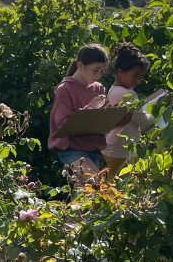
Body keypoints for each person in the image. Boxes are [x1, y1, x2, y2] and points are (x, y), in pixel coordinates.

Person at [47, 43, 129, 180]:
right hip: (72, 149)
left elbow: (106, 122)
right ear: (80, 65)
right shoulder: (65, 88)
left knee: (84, 197)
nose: (98, 75)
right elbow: (63, 124)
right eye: (95, 70)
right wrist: (90, 108)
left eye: (102, 71)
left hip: (94, 149)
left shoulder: (99, 88)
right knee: (98, 185)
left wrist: (122, 111)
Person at [101, 43, 155, 175]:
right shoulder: (127, 94)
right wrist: (157, 114)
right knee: (119, 189)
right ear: (120, 72)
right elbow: (143, 121)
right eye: (135, 76)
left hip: (113, 148)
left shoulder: (114, 90)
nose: (138, 81)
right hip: (121, 150)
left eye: (141, 76)